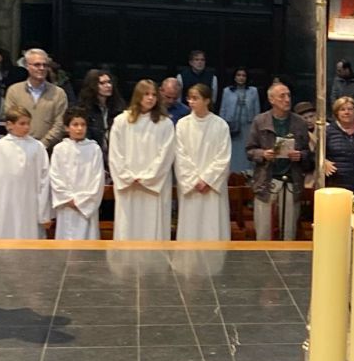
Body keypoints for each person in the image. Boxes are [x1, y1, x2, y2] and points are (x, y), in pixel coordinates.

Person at [108, 78, 176, 239]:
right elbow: (115, 153)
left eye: (154, 94)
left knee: (152, 228)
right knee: (128, 228)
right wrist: (127, 176)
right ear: (138, 95)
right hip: (129, 186)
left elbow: (166, 154)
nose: (150, 98)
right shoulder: (121, 121)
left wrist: (148, 177)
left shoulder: (165, 123)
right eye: (146, 94)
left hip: (154, 186)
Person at [0, 105, 51, 239]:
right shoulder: (0, 147)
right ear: (9, 125)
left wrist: (44, 212)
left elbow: (44, 180)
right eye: (22, 123)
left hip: (30, 203)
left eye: (28, 123)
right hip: (5, 202)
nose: (26, 127)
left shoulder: (38, 147)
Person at [246, 81, 310, 240]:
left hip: (291, 180)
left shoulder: (300, 122)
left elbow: (309, 153)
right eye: (282, 96)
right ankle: (263, 256)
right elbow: (250, 151)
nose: (287, 99)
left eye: (288, 95)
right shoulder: (260, 121)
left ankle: (286, 256)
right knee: (263, 231)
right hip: (266, 180)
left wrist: (300, 155)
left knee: (289, 231)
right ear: (272, 99)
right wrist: (263, 154)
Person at [174, 83, 232, 241]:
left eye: (195, 98)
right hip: (191, 188)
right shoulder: (182, 124)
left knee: (212, 226)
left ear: (207, 100)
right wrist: (194, 180)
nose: (191, 102)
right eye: (189, 98)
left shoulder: (220, 125)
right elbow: (180, 155)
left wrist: (207, 179)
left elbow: (223, 157)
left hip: (212, 188)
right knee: (191, 228)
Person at [50, 110, 105, 240]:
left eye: (83, 124)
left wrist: (81, 201)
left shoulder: (94, 149)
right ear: (67, 127)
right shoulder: (59, 149)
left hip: (87, 209)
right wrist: (67, 199)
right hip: (66, 206)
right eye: (75, 125)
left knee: (87, 242)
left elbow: (98, 179)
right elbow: (55, 177)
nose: (79, 128)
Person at [2, 48, 68, 148]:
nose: (41, 68)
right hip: (18, 147)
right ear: (27, 66)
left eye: (45, 65)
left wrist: (41, 145)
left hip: (48, 150)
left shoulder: (59, 93)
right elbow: (11, 120)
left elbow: (60, 124)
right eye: (37, 65)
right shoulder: (14, 91)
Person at [220, 67, 259, 174]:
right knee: (233, 151)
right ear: (234, 77)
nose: (241, 78)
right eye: (238, 75)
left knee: (246, 149)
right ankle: (233, 172)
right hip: (232, 125)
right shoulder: (227, 91)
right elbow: (223, 109)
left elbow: (257, 109)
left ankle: (246, 172)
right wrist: (222, 125)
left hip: (248, 125)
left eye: (243, 75)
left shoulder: (253, 91)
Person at [76, 68, 123, 151]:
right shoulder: (84, 109)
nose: (108, 86)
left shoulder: (118, 107)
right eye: (102, 83)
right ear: (92, 85)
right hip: (92, 151)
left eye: (109, 82)